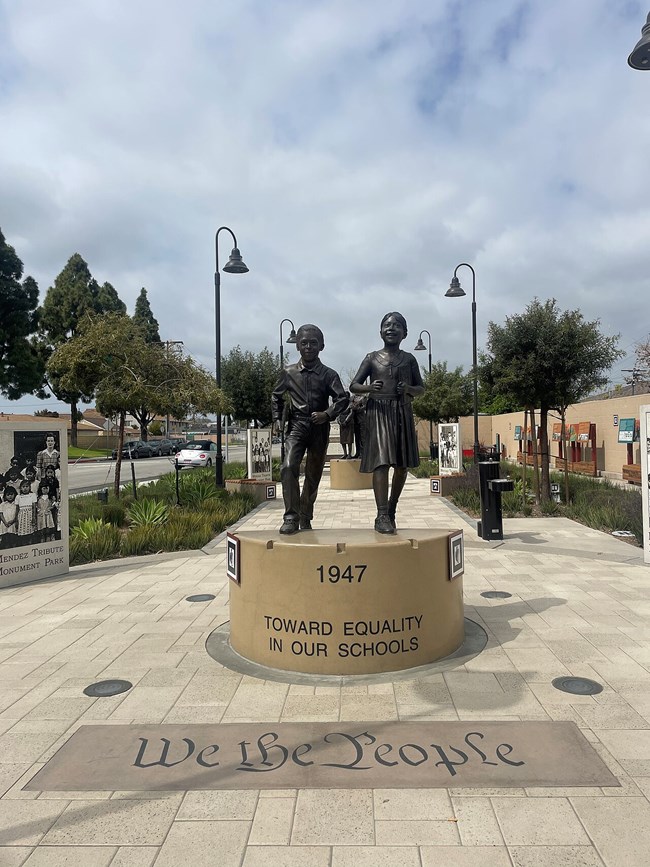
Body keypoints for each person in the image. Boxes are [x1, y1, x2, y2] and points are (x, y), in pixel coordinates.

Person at [350, 312, 424, 534]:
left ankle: (392, 509)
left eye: (397, 325)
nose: (391, 328)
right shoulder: (372, 358)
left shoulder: (409, 359)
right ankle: (381, 514)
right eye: (387, 325)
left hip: (401, 411)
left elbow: (421, 389)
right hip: (379, 412)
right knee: (381, 463)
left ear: (405, 333)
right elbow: (354, 385)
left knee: (401, 466)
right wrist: (369, 388)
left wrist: (409, 389)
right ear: (380, 331)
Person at [272, 323, 348, 534]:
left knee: (313, 476)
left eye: (313, 343)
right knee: (288, 467)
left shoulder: (328, 374)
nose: (308, 347)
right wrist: (277, 419)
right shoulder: (288, 372)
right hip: (297, 426)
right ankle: (290, 516)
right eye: (303, 343)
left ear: (321, 346)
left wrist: (328, 414)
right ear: (297, 345)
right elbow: (276, 396)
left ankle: (306, 515)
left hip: (319, 428)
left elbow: (343, 398)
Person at [16, 478, 37, 543]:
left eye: (27, 486)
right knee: (22, 534)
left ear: (30, 487)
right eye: (23, 487)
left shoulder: (33, 495)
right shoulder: (18, 497)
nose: (25, 488)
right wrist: (16, 519)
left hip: (30, 516)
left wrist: (34, 517)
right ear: (20, 488)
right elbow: (17, 509)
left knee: (31, 533)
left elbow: (34, 507)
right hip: (22, 517)